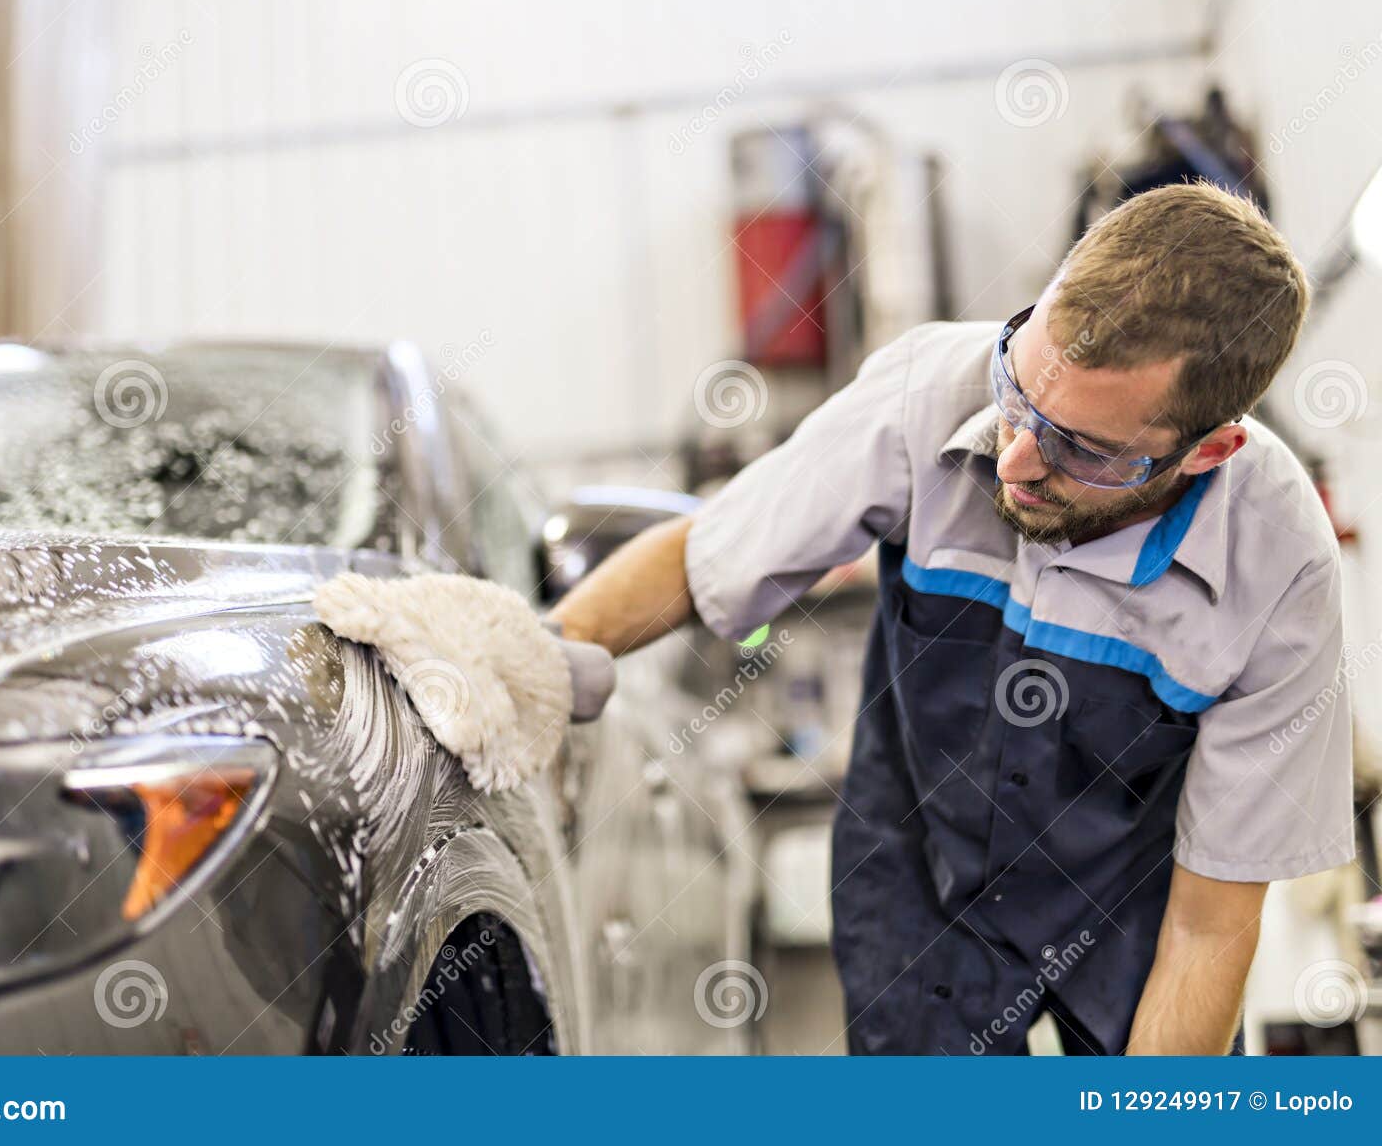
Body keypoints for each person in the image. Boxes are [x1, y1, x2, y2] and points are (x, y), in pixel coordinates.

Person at [550, 182, 1354, 1055]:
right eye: (1017, 387)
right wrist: (536, 660)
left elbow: (1210, 929)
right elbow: (705, 558)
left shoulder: (1279, 566)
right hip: (917, 876)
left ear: (1206, 452)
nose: (1012, 455)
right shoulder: (924, 390)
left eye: (1082, 446)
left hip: (1135, 903)